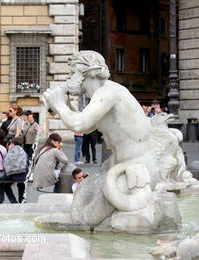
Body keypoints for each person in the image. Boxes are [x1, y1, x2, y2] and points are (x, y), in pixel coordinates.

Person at [43, 50, 160, 223]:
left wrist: (60, 104)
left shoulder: (108, 93)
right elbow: (88, 127)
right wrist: (65, 104)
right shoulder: (102, 95)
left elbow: (79, 125)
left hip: (135, 171)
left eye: (73, 71)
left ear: (88, 71)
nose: (70, 77)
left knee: (90, 216)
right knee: (81, 198)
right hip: (118, 166)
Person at [3, 137, 28, 203]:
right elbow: (27, 165)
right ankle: (22, 202)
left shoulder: (9, 153)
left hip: (11, 176)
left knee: (6, 186)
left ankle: (14, 202)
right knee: (22, 185)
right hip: (23, 176)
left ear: (13, 144)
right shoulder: (24, 153)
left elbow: (5, 164)